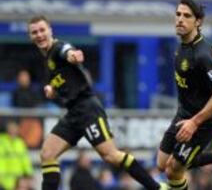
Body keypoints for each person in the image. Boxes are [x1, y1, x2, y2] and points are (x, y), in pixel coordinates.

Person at [27, 15, 168, 190]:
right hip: (73, 114)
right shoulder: (48, 60)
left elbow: (67, 52)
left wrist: (73, 55)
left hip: (87, 109)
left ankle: (157, 187)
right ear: (30, 36)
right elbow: (63, 78)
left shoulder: (58, 48)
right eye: (34, 32)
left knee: (111, 156)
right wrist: (52, 89)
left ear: (50, 30)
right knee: (47, 153)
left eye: (42, 30)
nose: (39, 35)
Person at [156, 0, 212, 190]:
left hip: (202, 123)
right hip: (183, 114)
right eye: (178, 14)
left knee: (173, 170)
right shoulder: (184, 44)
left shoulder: (202, 55)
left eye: (186, 16)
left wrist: (194, 123)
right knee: (161, 164)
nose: (180, 20)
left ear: (198, 21)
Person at [0, 121, 33, 190]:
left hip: (18, 181)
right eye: (11, 129)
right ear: (7, 130)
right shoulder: (1, 141)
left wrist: (29, 174)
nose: (13, 131)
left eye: (15, 129)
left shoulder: (20, 143)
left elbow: (25, 160)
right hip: (4, 180)